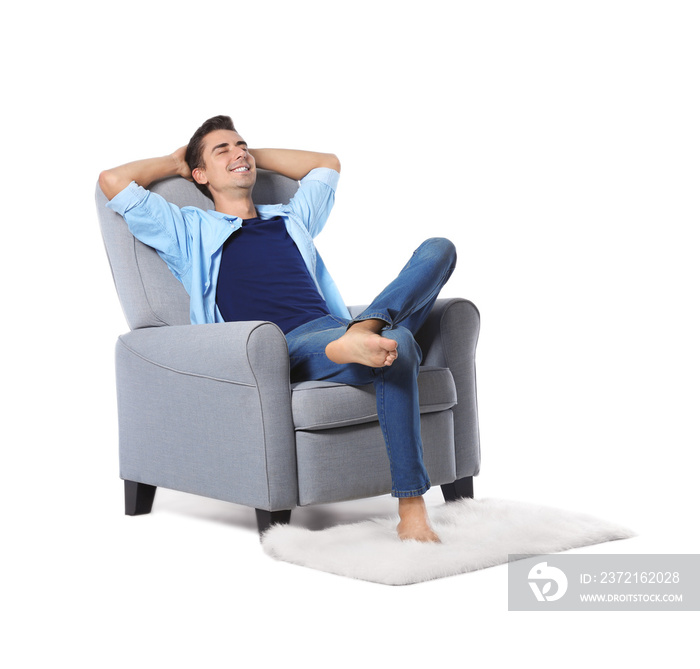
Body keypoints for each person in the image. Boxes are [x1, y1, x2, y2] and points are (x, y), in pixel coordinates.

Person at [99, 115, 457, 542]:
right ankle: (412, 508)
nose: (239, 152)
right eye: (222, 150)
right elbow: (112, 180)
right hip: (282, 344)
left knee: (439, 250)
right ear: (200, 175)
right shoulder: (189, 229)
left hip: (335, 325)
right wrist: (176, 162)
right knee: (398, 344)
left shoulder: (290, 218)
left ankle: (366, 329)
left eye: (242, 145)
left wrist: (244, 157)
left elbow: (327, 164)